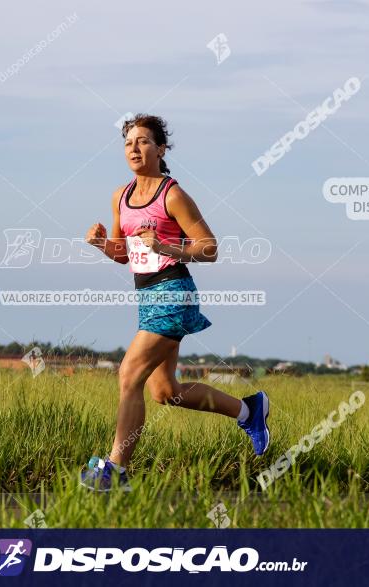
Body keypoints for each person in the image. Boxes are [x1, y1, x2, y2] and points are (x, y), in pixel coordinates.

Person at [79, 114, 269, 491]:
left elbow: (210, 248)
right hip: (146, 294)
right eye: (129, 142)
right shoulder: (121, 196)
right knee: (165, 391)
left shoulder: (173, 195)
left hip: (173, 291)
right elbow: (124, 254)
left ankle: (115, 470)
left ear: (161, 149)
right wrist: (102, 244)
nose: (134, 148)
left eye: (143, 141)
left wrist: (166, 246)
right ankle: (250, 410)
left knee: (129, 374)